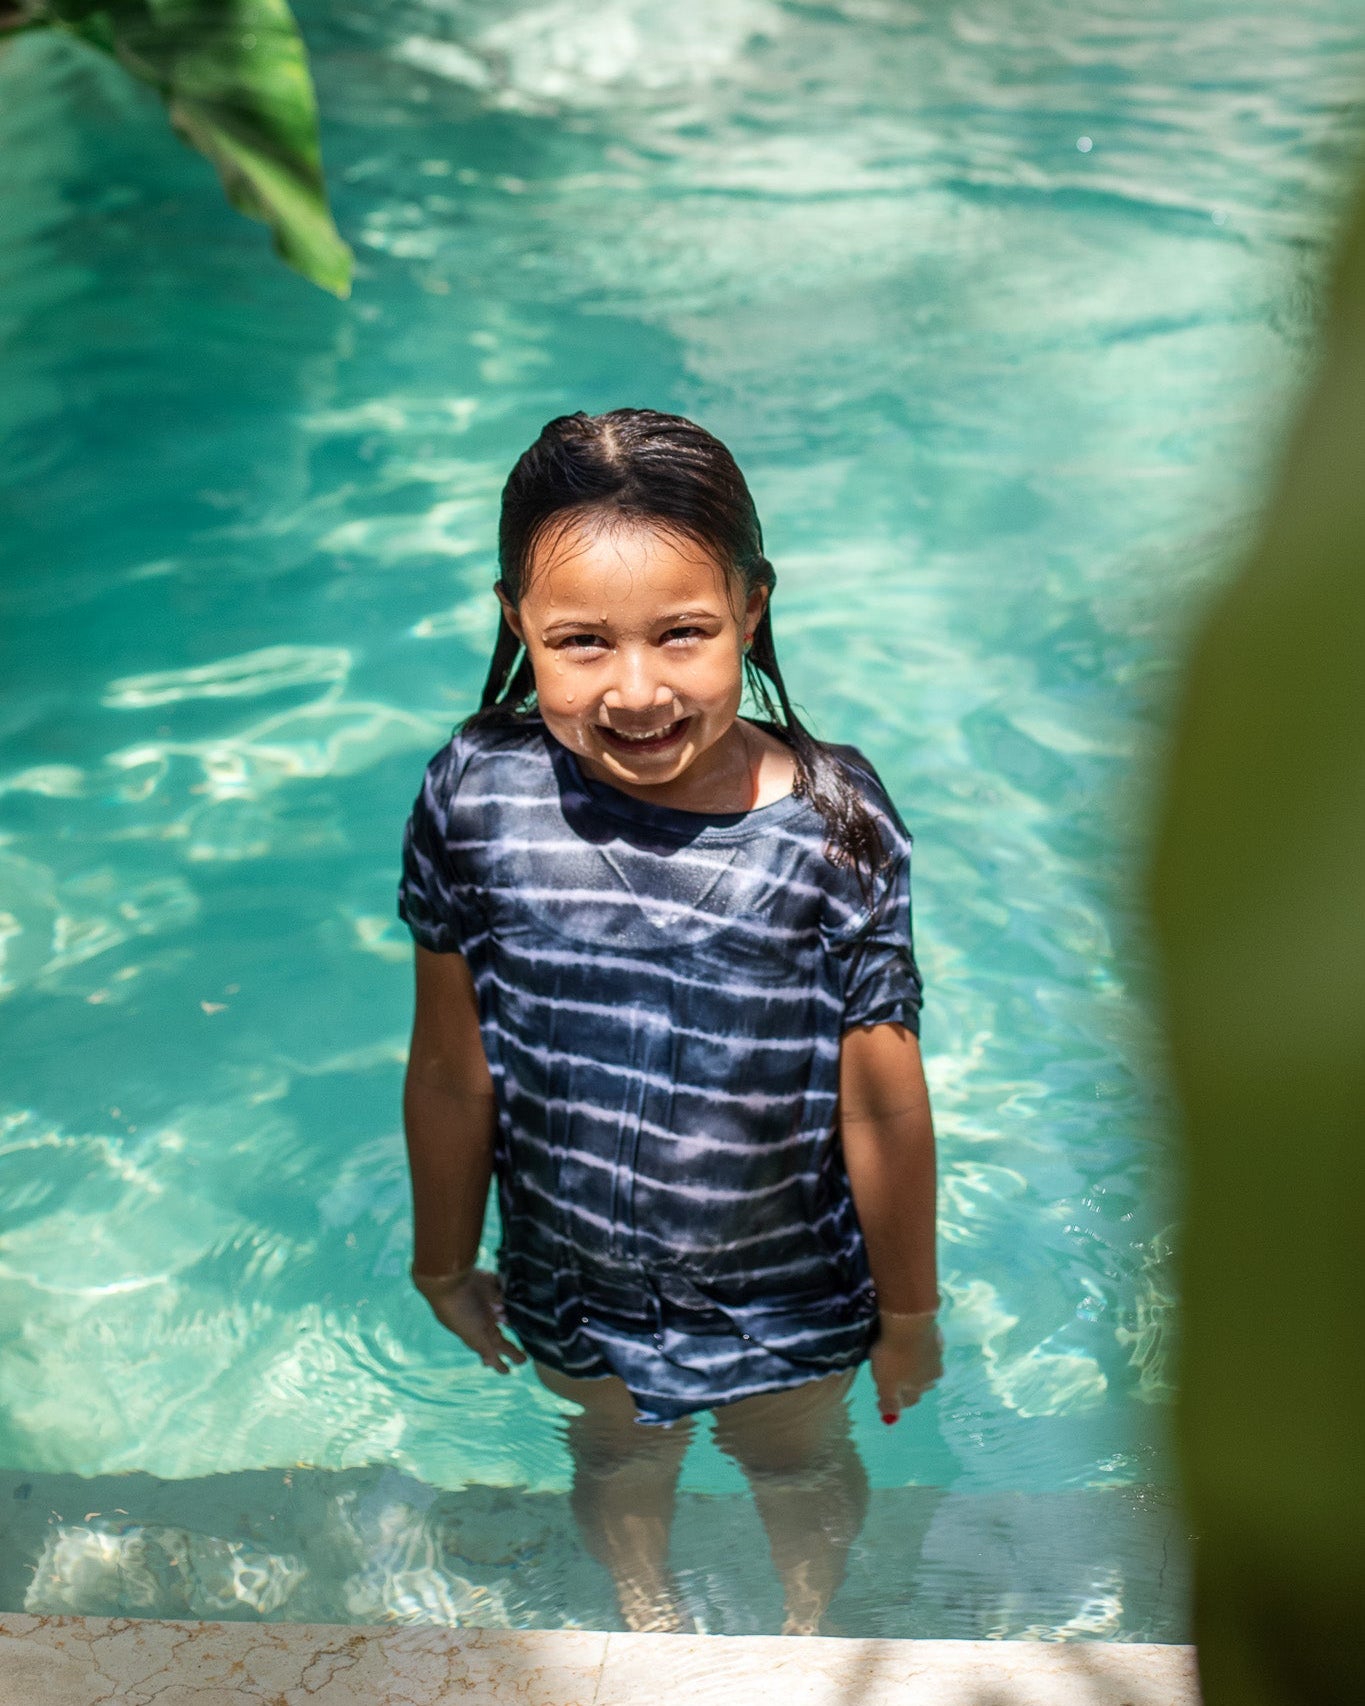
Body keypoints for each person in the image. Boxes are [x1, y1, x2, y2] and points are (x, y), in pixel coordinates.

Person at [398, 408, 940, 1636]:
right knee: (615, 1461)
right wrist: (445, 1255)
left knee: (796, 1464)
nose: (635, 689)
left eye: (683, 633)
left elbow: (883, 1098)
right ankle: (647, 1621)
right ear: (513, 621)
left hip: (787, 1284)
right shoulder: (476, 793)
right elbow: (450, 1066)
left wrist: (909, 1310)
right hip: (572, 1275)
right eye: (580, 641)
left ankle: (807, 1635)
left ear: (752, 607)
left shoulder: (832, 818)